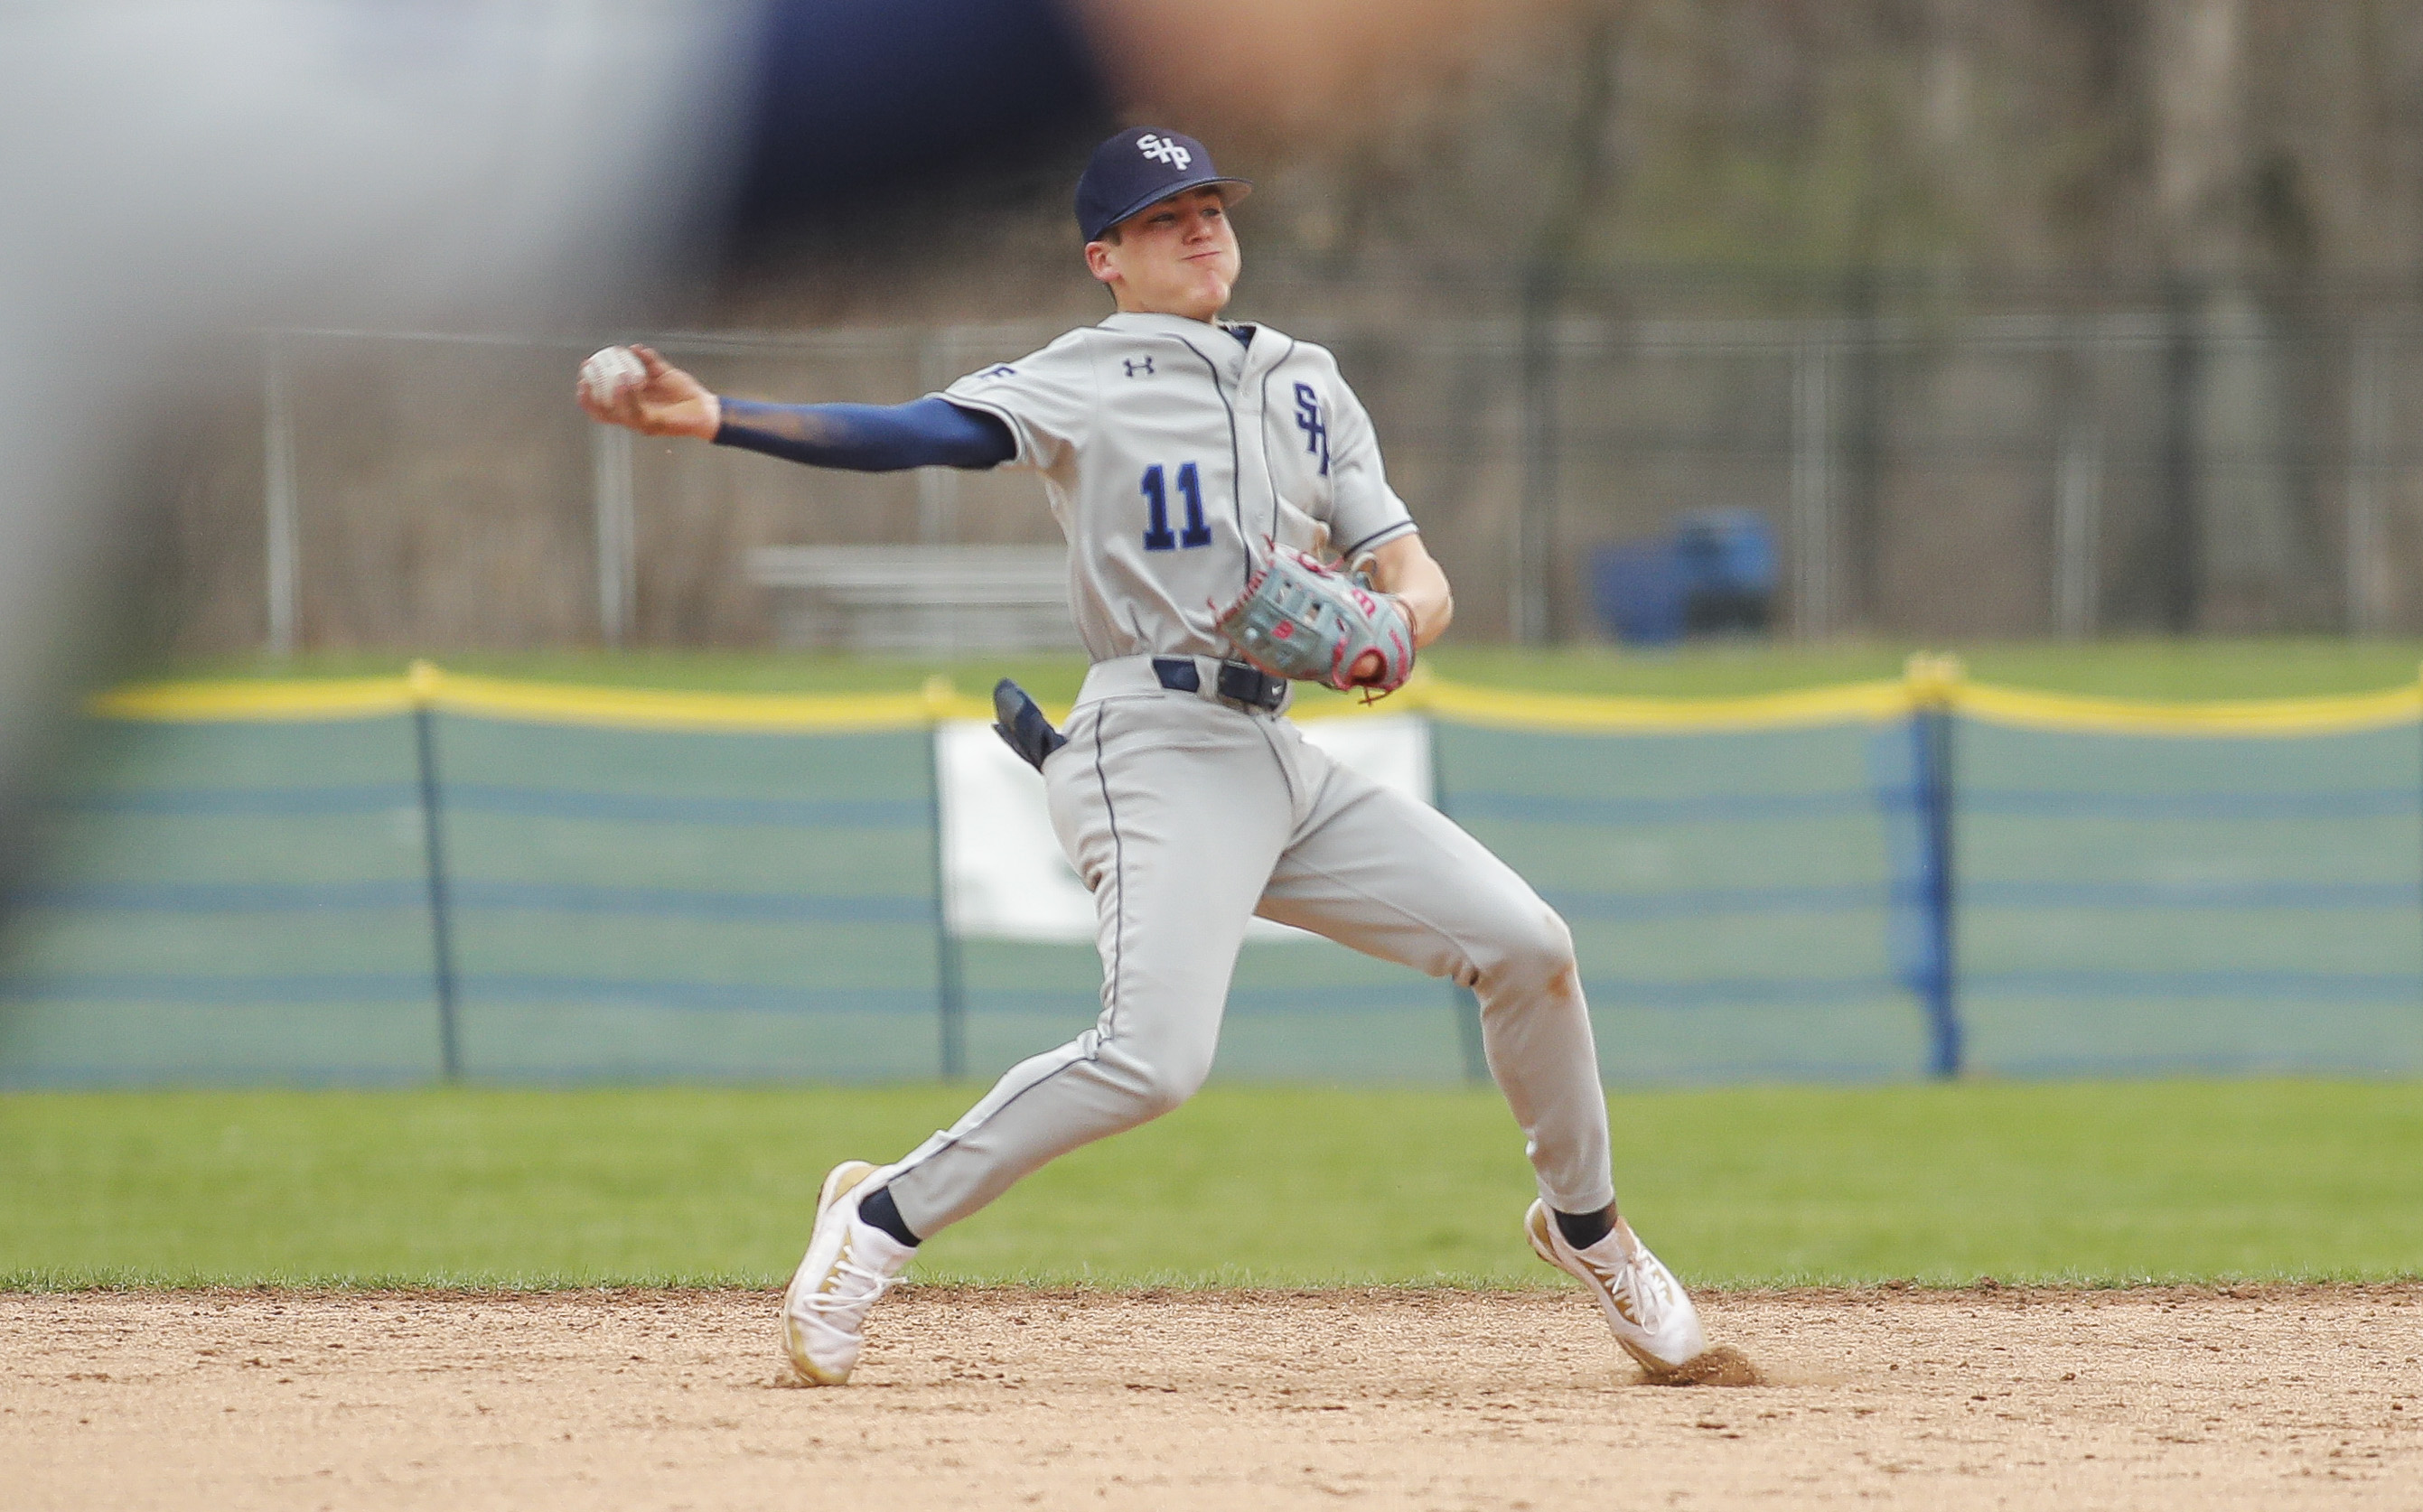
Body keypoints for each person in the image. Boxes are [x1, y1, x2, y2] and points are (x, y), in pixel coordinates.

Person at [576, 126, 1709, 1385]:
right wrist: (720, 416)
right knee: (1154, 1058)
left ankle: (1588, 1230)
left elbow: (1409, 567)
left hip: (1278, 751)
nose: (1202, 229)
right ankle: (879, 1214)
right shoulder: (1082, 375)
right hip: (1148, 738)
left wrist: (1399, 627)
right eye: (1166, 217)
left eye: (1212, 206)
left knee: (1529, 945)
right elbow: (913, 432)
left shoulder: (1306, 380)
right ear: (1103, 256)